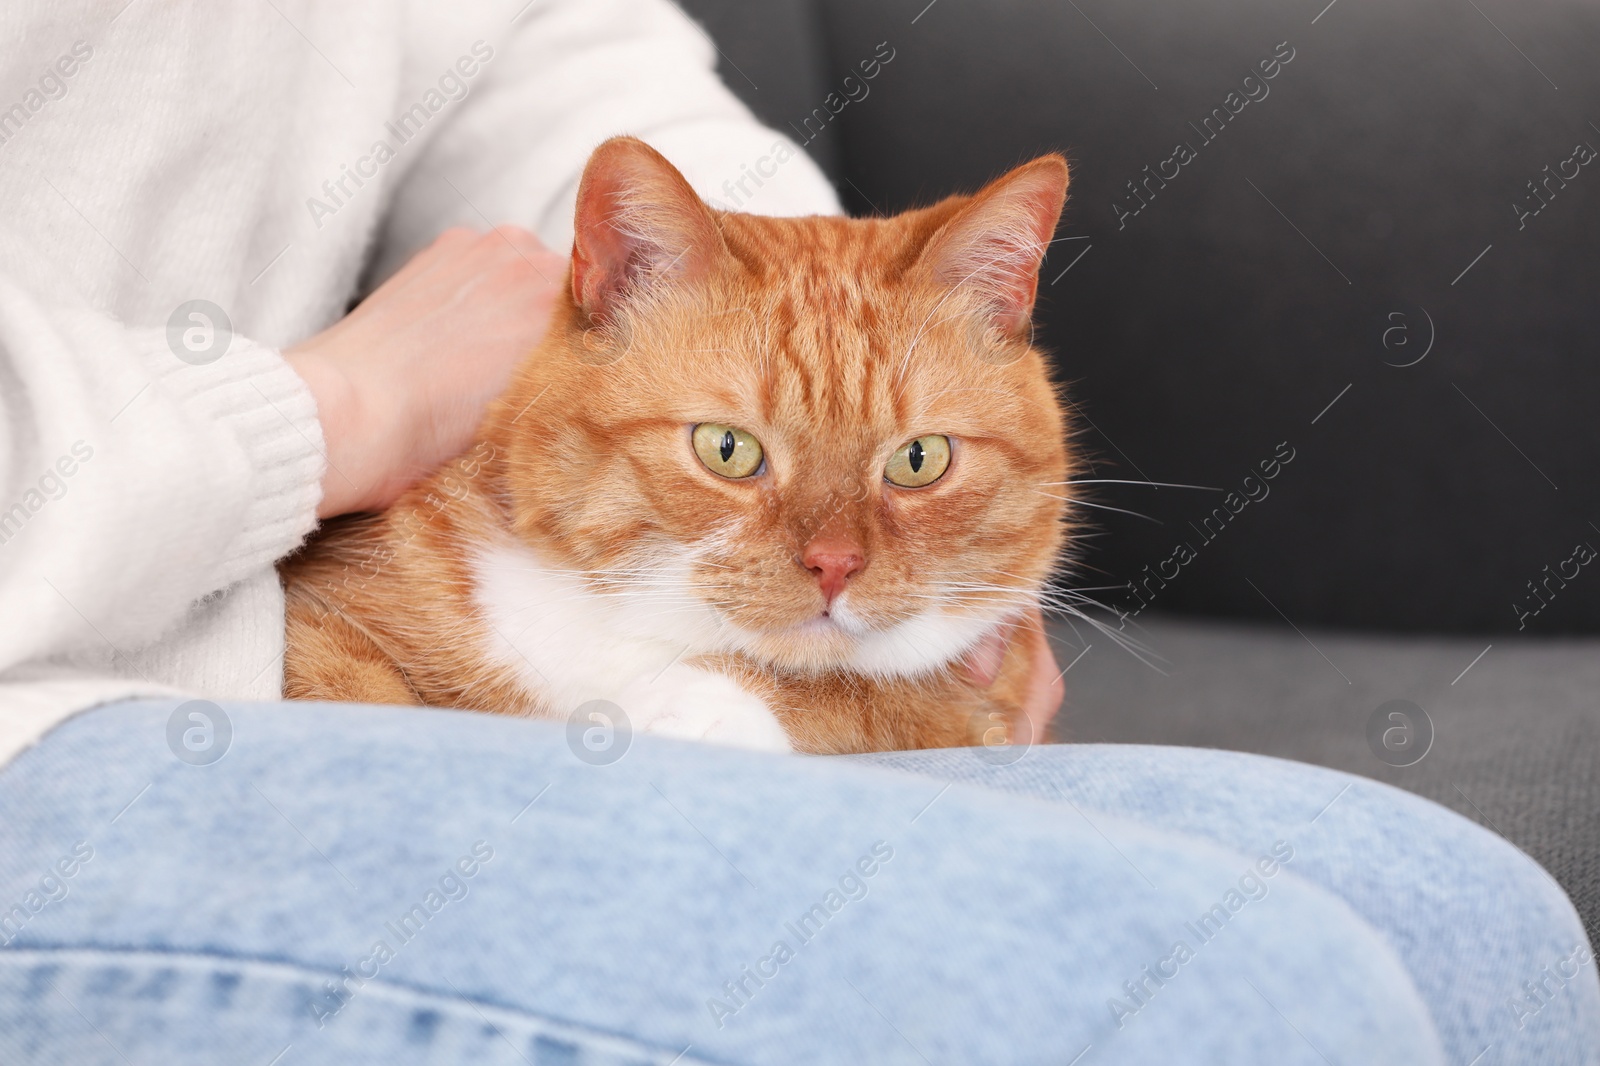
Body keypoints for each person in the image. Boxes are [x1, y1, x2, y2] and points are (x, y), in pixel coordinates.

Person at [0, 2, 1594, 1063]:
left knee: (1474, 922)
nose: (835, 546)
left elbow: (534, 54)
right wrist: (314, 412)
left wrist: (813, 305)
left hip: (261, 634)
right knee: (1259, 1001)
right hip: (57, 714)